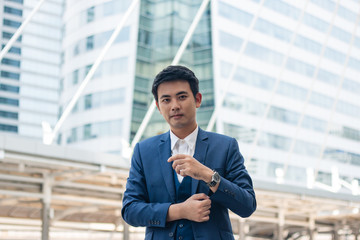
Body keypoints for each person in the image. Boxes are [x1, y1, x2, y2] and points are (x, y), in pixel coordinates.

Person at [122, 65, 256, 240]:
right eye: (166, 100)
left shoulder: (225, 146)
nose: (175, 106)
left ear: (198, 99)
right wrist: (179, 211)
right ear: (158, 106)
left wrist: (208, 175)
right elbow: (130, 210)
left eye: (182, 97)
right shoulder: (143, 151)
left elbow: (247, 205)